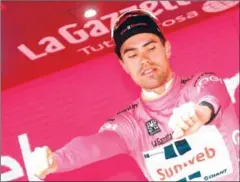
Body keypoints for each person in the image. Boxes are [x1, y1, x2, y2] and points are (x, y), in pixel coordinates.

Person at [27, 9, 239, 181]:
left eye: (150, 48)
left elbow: (211, 97)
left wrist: (200, 114)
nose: (144, 60)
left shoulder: (201, 84)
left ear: (167, 49)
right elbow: (94, 145)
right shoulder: (129, 124)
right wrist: (56, 160)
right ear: (123, 65)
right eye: (133, 55)